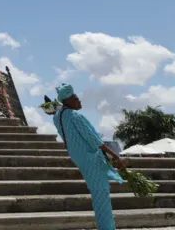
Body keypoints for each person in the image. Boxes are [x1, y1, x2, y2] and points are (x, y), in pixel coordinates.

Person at [53, 83, 127, 230]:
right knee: (101, 194)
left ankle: (106, 226)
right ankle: (107, 227)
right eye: (75, 98)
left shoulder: (57, 117)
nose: (79, 101)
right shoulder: (75, 115)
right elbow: (93, 139)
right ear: (67, 101)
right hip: (90, 157)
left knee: (98, 192)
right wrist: (115, 155)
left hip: (79, 157)